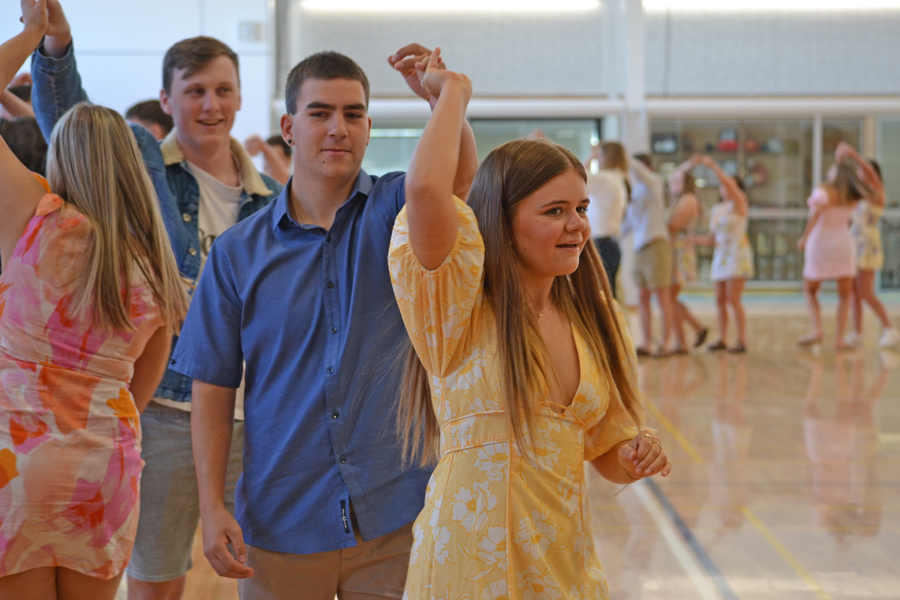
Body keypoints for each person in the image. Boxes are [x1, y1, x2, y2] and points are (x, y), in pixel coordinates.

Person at [169, 45, 477, 600]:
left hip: (396, 514)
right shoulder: (239, 252)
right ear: (289, 126)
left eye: (353, 114)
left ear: (368, 127)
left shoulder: (393, 213)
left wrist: (443, 97)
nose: (339, 128)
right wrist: (212, 505)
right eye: (320, 113)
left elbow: (449, 183)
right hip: (282, 521)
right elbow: (213, 386)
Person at [389, 50, 671, 599]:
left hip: (566, 565)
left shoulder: (596, 318)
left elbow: (607, 450)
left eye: (582, 208)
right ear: (502, 218)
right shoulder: (458, 311)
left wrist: (637, 452)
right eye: (554, 211)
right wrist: (453, 93)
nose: (577, 226)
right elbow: (429, 190)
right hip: (471, 565)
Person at [29, 2, 283, 599]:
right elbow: (68, 115)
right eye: (194, 91)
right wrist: (56, 49)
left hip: (259, 415)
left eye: (223, 90)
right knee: (156, 579)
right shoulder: (140, 165)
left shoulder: (273, 198)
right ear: (166, 100)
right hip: (166, 409)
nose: (211, 105)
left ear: (241, 98)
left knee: (266, 576)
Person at [0, 3, 187, 598]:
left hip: (17, 450)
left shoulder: (36, 216)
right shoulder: (157, 269)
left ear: (62, 156)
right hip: (104, 461)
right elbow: (138, 391)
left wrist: (33, 34)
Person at [836, 142, 900, 349]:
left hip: (868, 246)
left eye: (863, 172)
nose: (860, 175)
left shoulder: (877, 194)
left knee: (866, 291)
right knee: (855, 292)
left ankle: (890, 328)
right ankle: (857, 333)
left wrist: (853, 154)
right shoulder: (859, 198)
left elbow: (869, 171)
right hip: (854, 246)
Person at [796, 164, 865, 350]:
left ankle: (818, 328)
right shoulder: (851, 196)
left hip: (820, 242)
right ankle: (839, 339)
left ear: (835, 174)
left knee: (810, 289)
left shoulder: (824, 191)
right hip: (843, 242)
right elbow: (849, 220)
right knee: (844, 293)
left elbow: (815, 214)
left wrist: (804, 237)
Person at [692, 156, 753, 353]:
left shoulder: (740, 204)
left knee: (733, 299)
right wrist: (693, 239)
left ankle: (741, 339)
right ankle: (723, 338)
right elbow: (712, 237)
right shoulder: (718, 209)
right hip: (721, 256)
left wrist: (714, 166)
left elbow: (730, 185)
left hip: (737, 255)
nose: (725, 188)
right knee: (719, 299)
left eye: (729, 186)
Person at [621, 152, 677, 357]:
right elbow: (627, 224)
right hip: (640, 249)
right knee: (643, 296)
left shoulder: (654, 184)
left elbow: (641, 172)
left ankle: (666, 343)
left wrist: (622, 155)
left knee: (662, 295)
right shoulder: (636, 193)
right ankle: (647, 343)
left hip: (657, 246)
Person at [667, 155, 707, 352]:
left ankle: (682, 341)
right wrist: (689, 163)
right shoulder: (679, 199)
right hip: (674, 250)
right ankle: (695, 329)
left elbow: (674, 225)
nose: (674, 182)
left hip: (679, 251)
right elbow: (673, 175)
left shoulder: (689, 200)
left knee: (670, 296)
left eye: (679, 180)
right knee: (670, 297)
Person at [583, 141, 628, 299]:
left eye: (600, 155)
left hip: (601, 244)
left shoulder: (606, 179)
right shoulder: (617, 179)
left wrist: (591, 156)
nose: (598, 159)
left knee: (600, 298)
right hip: (609, 244)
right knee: (608, 296)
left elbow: (576, 177)